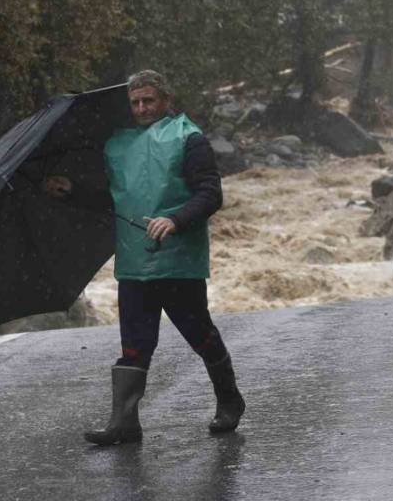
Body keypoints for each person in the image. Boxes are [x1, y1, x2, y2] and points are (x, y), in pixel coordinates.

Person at [45, 70, 245, 446]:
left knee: (200, 335)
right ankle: (124, 423)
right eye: (135, 102)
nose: (141, 108)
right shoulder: (117, 144)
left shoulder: (190, 138)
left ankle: (230, 400)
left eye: (148, 101)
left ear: (165, 100)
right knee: (134, 344)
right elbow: (115, 200)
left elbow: (210, 194)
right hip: (135, 263)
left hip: (178, 261)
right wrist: (72, 192)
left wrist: (174, 219)